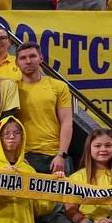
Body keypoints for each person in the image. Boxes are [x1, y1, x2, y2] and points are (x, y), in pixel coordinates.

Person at [0, 117, 59, 223]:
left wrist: (54, 188)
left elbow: (39, 208)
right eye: (6, 133)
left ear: (22, 137)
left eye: (16, 133)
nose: (11, 136)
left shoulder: (29, 170)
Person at [14, 44, 72, 175]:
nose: (28, 61)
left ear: (41, 58)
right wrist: (16, 156)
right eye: (23, 58)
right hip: (24, 157)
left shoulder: (59, 86)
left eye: (32, 56)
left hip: (54, 156)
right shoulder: (11, 88)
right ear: (16, 63)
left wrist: (62, 155)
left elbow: (67, 122)